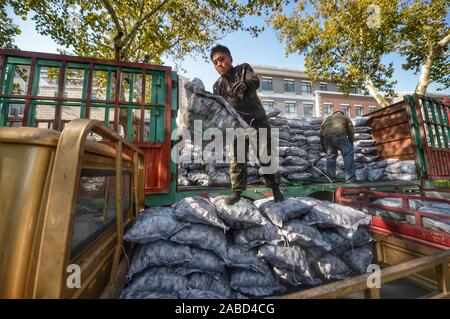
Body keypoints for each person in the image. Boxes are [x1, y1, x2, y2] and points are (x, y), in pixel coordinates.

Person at [210, 44, 284, 204]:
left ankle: (275, 188)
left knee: (265, 155)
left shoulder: (243, 70)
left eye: (222, 59)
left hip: (257, 121)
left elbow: (255, 81)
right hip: (236, 125)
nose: (219, 64)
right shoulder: (217, 86)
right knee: (237, 158)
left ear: (230, 58)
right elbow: (219, 108)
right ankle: (237, 192)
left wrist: (246, 84)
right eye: (215, 62)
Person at [320, 110, 357, 183]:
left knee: (330, 156)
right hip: (339, 135)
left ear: (334, 114)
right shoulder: (345, 117)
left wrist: (323, 145)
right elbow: (350, 131)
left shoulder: (327, 118)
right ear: (342, 113)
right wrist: (351, 143)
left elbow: (321, 133)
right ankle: (350, 178)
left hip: (327, 137)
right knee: (348, 155)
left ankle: (331, 178)